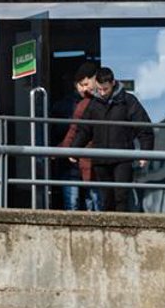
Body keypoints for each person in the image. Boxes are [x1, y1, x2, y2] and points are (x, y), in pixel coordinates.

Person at [86, 66, 154, 213]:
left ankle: (122, 225)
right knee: (107, 198)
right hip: (101, 158)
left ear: (113, 83)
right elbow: (84, 129)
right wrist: (74, 148)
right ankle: (109, 225)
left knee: (121, 196)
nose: (102, 93)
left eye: (105, 89)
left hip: (122, 157)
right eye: (99, 89)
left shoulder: (128, 101)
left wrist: (145, 152)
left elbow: (144, 127)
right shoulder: (94, 104)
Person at [52, 62, 101, 210]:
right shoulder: (63, 106)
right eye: (81, 85)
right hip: (71, 161)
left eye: (86, 84)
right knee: (76, 201)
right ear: (75, 84)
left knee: (91, 201)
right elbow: (64, 132)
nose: (84, 89)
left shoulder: (97, 102)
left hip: (89, 160)